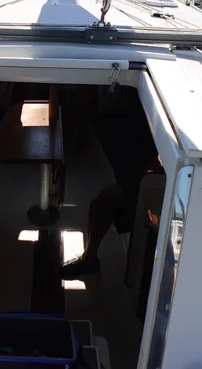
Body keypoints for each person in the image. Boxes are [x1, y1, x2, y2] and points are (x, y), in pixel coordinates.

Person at [60, 97, 159, 279]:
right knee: (101, 202)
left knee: (102, 204)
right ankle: (89, 258)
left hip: (158, 178)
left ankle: (89, 259)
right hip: (149, 167)